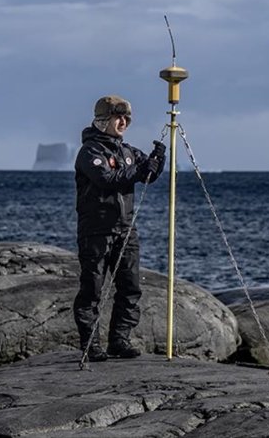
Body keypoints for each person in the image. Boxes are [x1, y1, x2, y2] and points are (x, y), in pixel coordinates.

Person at [74, 95, 166, 361]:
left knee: (130, 287)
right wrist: (138, 172)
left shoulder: (127, 151)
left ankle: (119, 340)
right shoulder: (90, 151)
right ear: (104, 120)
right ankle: (91, 344)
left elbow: (147, 175)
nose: (124, 122)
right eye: (119, 117)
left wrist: (158, 159)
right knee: (92, 289)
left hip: (125, 229)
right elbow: (106, 179)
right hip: (96, 230)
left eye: (127, 118)